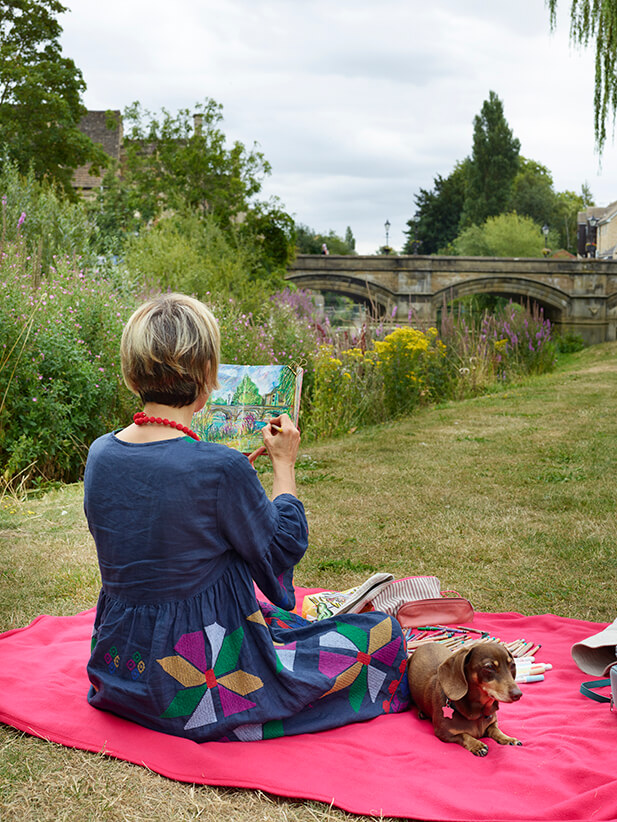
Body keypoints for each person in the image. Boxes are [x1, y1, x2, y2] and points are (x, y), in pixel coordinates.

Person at [84, 293, 409, 742]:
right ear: (206, 374)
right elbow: (280, 546)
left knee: (283, 625)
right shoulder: (218, 467)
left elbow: (163, 526)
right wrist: (283, 465)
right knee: (383, 637)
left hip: (118, 669)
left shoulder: (101, 452)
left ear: (132, 371)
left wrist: (230, 480)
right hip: (190, 682)